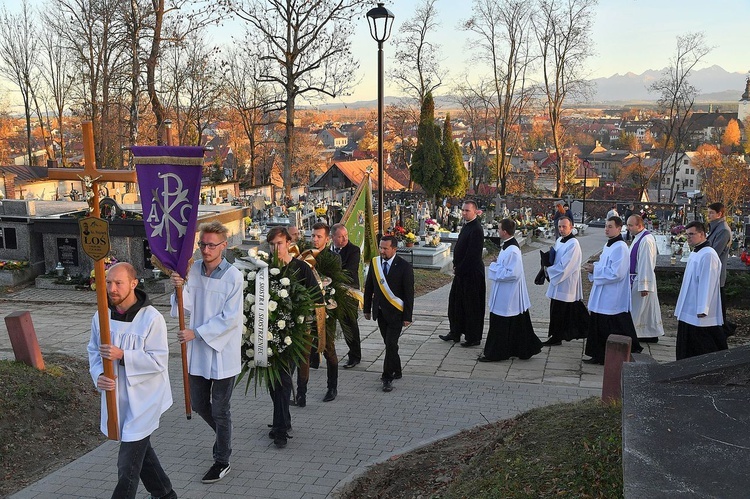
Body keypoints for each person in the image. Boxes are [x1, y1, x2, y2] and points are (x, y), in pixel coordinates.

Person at [87, 263, 177, 499]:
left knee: (127, 465)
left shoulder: (151, 318)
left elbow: (159, 361)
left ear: (134, 284)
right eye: (108, 282)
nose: (112, 288)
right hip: (117, 398)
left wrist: (123, 355)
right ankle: (166, 494)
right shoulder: (102, 314)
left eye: (118, 283)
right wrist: (99, 375)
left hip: (145, 400)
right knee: (141, 453)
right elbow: (94, 352)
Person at [170, 221, 243, 483]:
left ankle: (222, 460)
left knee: (221, 409)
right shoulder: (194, 270)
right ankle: (225, 435)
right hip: (198, 352)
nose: (205, 249)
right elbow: (185, 305)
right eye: (202, 244)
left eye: (211, 245)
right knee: (199, 403)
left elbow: (230, 318)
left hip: (222, 351)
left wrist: (197, 333)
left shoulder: (233, 276)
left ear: (224, 246)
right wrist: (179, 286)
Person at [266, 227, 320, 447]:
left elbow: (316, 297)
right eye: (271, 245)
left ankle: (280, 430)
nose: (275, 249)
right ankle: (284, 420)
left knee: (284, 380)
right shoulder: (265, 269)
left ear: (288, 242)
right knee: (273, 382)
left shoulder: (301, 268)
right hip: (269, 335)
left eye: (278, 243)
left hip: (294, 336)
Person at [478, 219, 542, 362]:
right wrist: (497, 263)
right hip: (504, 291)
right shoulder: (507, 246)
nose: (497, 231)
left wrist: (494, 267)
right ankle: (515, 349)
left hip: (508, 293)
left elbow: (513, 273)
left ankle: (496, 353)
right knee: (512, 321)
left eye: (499, 229)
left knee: (502, 321)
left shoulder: (513, 250)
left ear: (505, 232)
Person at [583, 217, 642, 364]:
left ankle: (611, 354)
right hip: (602, 292)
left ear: (619, 228)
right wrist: (594, 266)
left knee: (610, 325)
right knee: (598, 323)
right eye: (605, 226)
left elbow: (617, 273)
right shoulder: (609, 245)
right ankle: (597, 354)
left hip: (612, 294)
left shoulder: (620, 247)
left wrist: (596, 269)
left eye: (610, 226)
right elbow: (604, 264)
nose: (606, 229)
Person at [295, 222, 341, 405]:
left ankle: (332, 387)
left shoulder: (332, 258)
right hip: (306, 313)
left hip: (325, 312)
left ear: (327, 239)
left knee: (329, 349)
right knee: (303, 352)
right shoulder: (303, 256)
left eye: (319, 236)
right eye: (313, 235)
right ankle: (301, 393)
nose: (314, 239)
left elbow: (335, 284)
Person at [363, 235, 414, 392]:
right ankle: (397, 369)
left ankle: (387, 377)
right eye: (381, 247)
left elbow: (408, 294)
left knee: (391, 344)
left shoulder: (404, 266)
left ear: (394, 249)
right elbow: (369, 287)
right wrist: (366, 309)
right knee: (389, 344)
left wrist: (407, 316)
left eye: (385, 248)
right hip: (380, 313)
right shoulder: (375, 263)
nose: (382, 251)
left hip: (396, 313)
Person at [674, 221, 727, 360]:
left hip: (699, 311)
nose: (688, 237)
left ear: (702, 234)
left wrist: (703, 308)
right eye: (687, 234)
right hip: (689, 307)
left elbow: (707, 283)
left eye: (692, 234)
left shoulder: (708, 254)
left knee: (703, 344)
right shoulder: (696, 252)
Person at [439, 200, 486, 347]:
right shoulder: (466, 226)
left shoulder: (476, 229)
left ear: (475, 212)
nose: (464, 213)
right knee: (455, 304)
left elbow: (472, 254)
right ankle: (455, 332)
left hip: (471, 274)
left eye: (467, 211)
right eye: (463, 210)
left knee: (471, 306)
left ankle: (473, 337)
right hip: (461, 272)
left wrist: (459, 268)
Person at [543, 216, 589, 345]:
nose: (561, 229)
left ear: (571, 227)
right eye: (559, 227)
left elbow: (567, 266)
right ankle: (557, 335)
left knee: (564, 310)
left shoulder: (573, 244)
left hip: (566, 282)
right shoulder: (559, 241)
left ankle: (560, 336)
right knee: (557, 309)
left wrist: (550, 271)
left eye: (564, 226)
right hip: (558, 280)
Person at [627, 215, 664, 342]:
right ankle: (648, 334)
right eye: (628, 225)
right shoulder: (638, 238)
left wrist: (645, 285)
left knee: (640, 309)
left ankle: (642, 334)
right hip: (636, 277)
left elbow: (646, 263)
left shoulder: (646, 240)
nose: (628, 228)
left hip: (642, 278)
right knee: (646, 310)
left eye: (631, 225)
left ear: (640, 225)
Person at [330, 223, 362, 368]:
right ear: (332, 237)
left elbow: (349, 271)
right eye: (340, 236)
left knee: (350, 325)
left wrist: (330, 276)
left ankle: (355, 356)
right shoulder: (326, 251)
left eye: (346, 236)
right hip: (330, 293)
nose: (344, 239)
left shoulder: (353, 250)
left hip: (348, 293)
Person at [706, 202, 734, 334]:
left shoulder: (723, 230)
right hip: (712, 271)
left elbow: (714, 252)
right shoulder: (716, 227)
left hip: (716, 272)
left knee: (719, 303)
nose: (709, 215)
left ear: (719, 214)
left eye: (711, 213)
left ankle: (722, 329)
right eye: (708, 212)